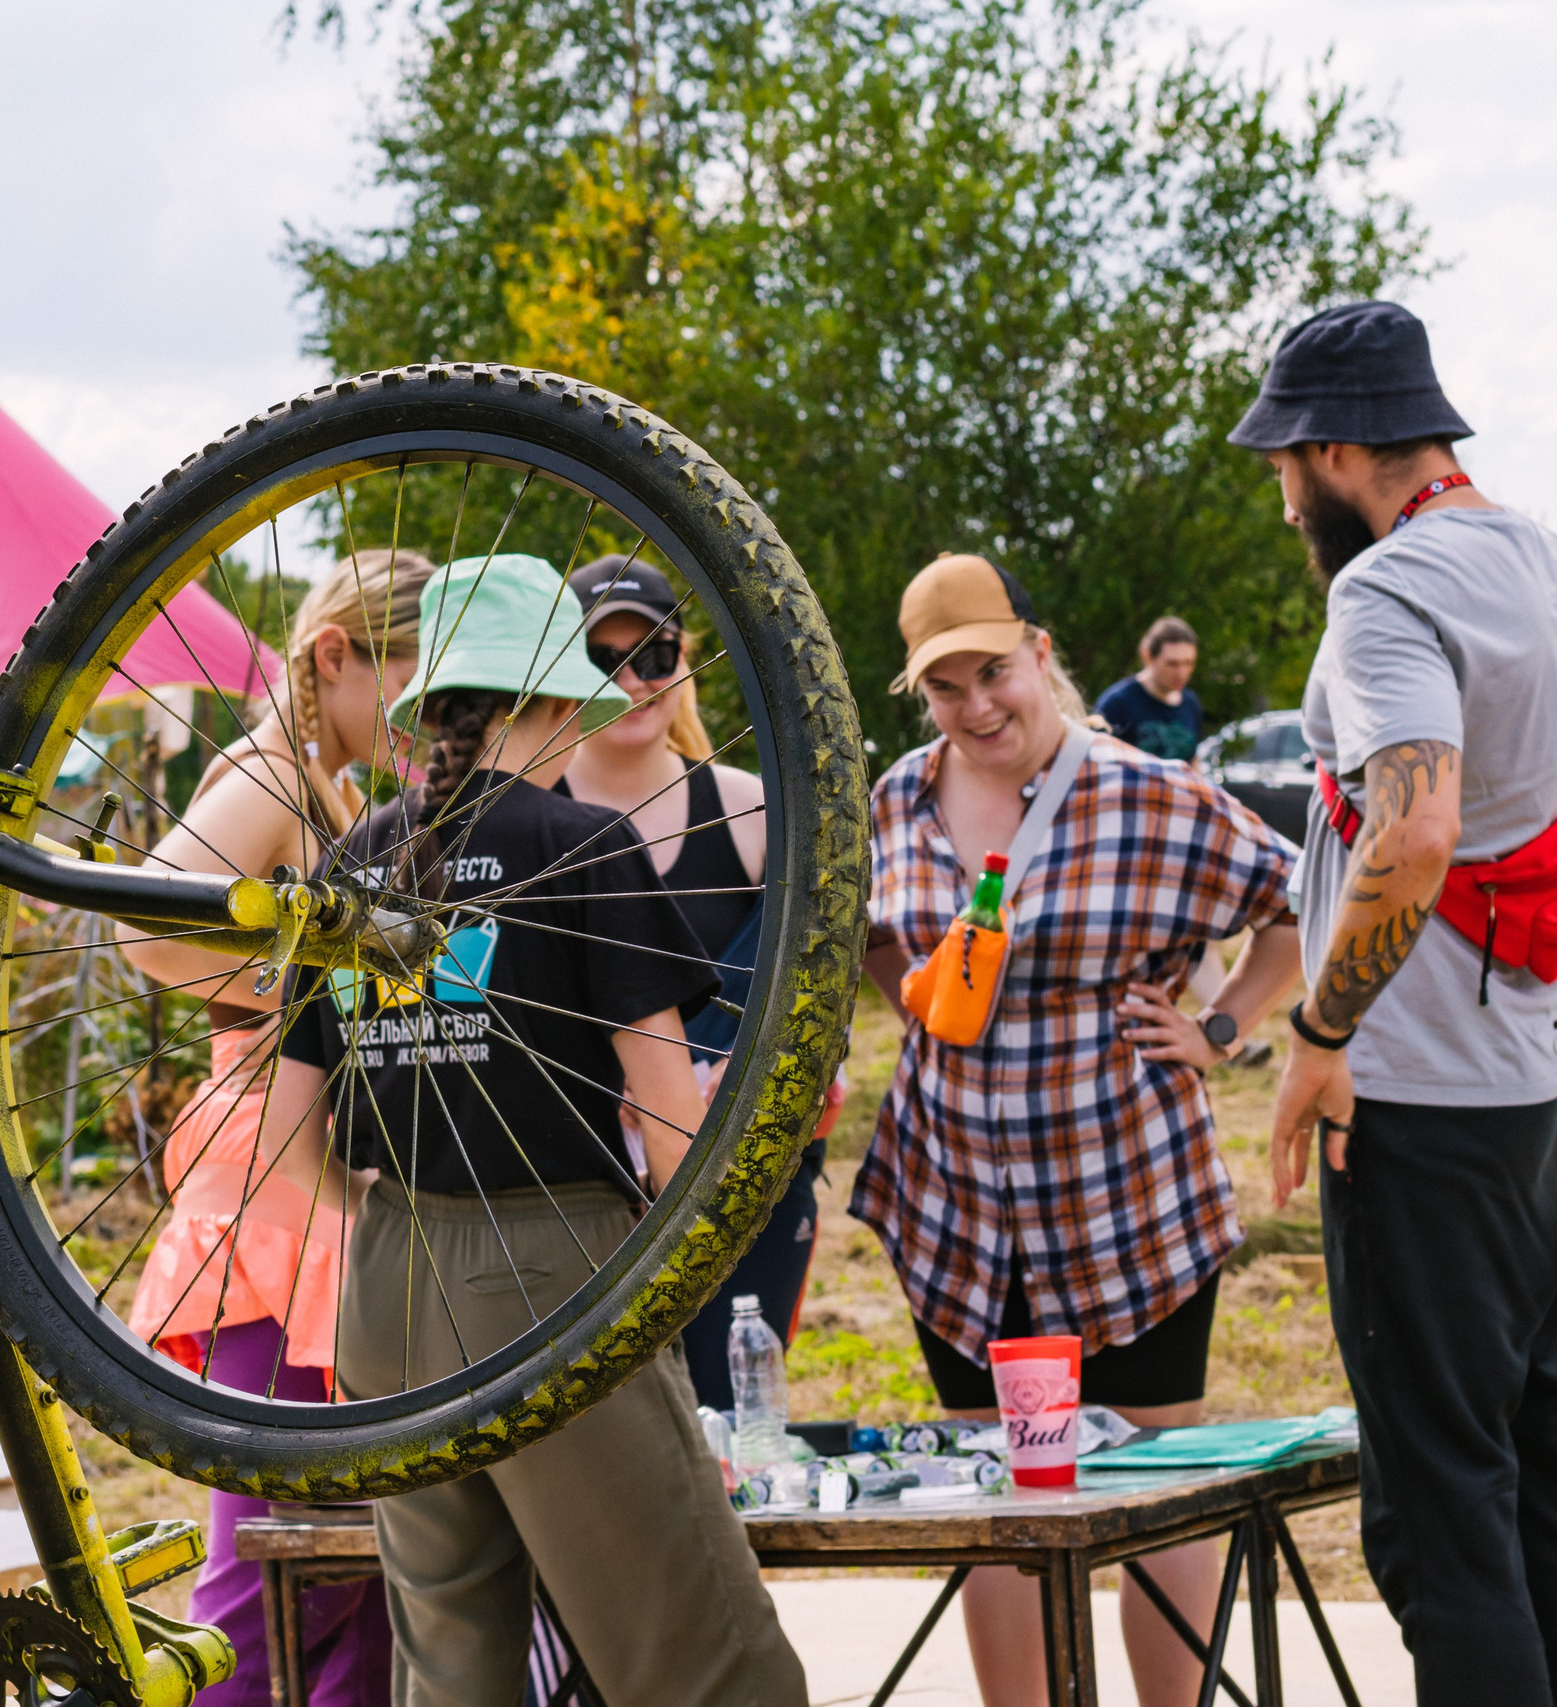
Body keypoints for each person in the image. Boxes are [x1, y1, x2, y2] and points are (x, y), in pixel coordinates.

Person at [261, 553, 807, 1707]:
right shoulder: (584, 842)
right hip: (551, 1273)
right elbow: (669, 1119)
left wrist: (384, 1216)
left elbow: (287, 1139)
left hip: (387, 1288)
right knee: (706, 1658)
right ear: (554, 701)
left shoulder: (354, 859)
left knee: (452, 1667)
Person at [856, 552, 1302, 1707]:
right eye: (944, 685)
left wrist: (1219, 1028)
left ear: (1039, 653)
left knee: (1152, 1484)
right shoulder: (896, 798)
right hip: (956, 1206)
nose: (976, 705)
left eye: (992, 671)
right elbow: (870, 935)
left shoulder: (1148, 796)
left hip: (1125, 1201)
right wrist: (918, 999)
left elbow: (1299, 901)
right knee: (999, 1492)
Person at [1235, 301, 1557, 1705]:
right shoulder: (1536, 556)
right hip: (1528, 1085)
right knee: (1532, 1496)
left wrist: (1318, 1035)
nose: (1280, 498)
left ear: (1336, 448)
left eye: (1281, 464)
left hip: (1413, 1098)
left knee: (1440, 1523)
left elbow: (1414, 828)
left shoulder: (1387, 590)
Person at [121, 548, 435, 1707]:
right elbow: (148, 930)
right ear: (335, 655)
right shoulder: (269, 776)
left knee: (357, 1565)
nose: (425, 711)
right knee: (273, 1564)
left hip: (321, 1167)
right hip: (269, 1173)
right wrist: (302, 998)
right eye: (408, 676)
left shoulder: (334, 791)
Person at [555, 554, 841, 1409]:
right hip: (581, 1192)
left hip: (739, 1188)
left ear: (684, 661)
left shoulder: (753, 811)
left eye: (653, 655)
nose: (632, 682)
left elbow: (819, 1000)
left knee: (732, 1419)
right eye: (601, 661)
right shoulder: (529, 822)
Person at [1096, 617, 1205, 761]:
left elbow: (1193, 760)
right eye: (1172, 664)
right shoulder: (1116, 704)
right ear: (1148, 657)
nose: (1181, 673)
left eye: (1189, 663)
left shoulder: (1191, 703)